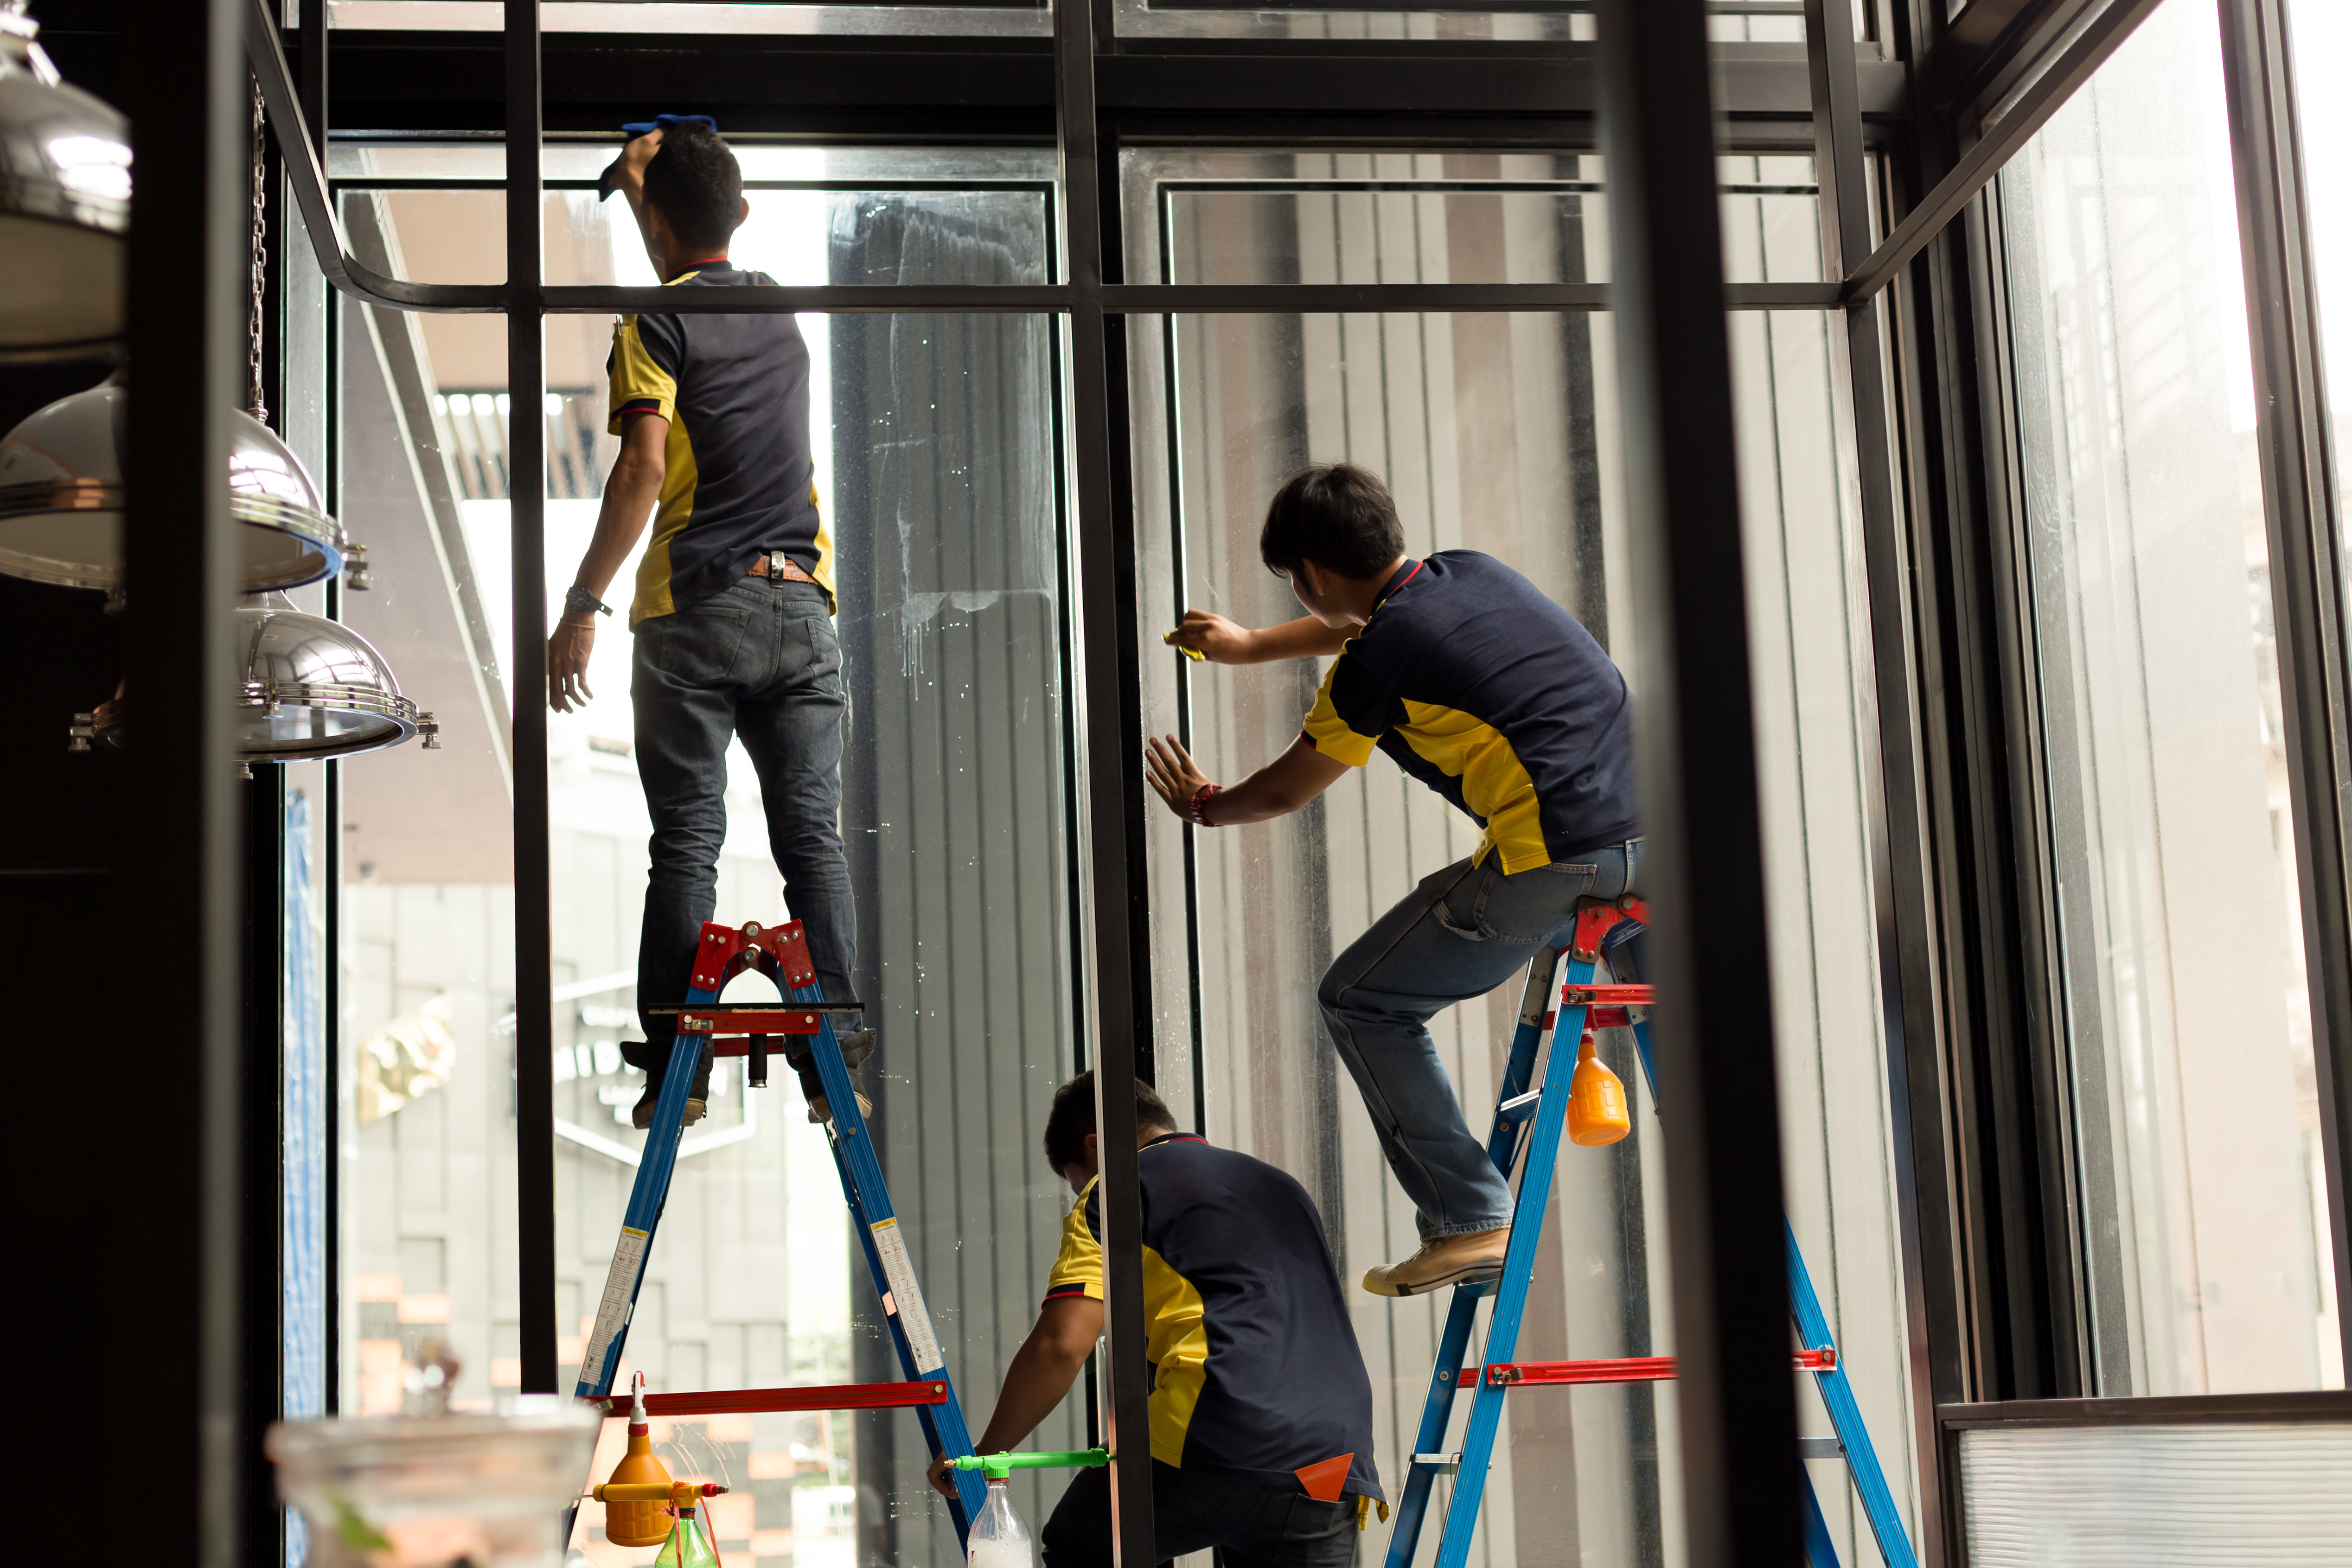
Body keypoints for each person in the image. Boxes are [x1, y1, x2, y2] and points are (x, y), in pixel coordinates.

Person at [1146, 463, 1640, 1298]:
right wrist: (1250, 646)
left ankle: (1469, 1218)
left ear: (1309, 575)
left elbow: (1284, 788)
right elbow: (1369, 630)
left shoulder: (1375, 663)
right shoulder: (1471, 572)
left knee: (1361, 998)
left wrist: (1206, 805)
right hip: (1653, 840)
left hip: (1556, 858)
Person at [546, 121, 870, 1130]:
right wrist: (658, 181)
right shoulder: (783, 316)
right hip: (802, 606)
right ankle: (837, 1063)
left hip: (698, 608)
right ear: (741, 210)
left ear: (655, 223)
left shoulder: (652, 319)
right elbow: (687, 226)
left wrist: (581, 604)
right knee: (810, 837)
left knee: (687, 839)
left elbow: (643, 467)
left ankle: (675, 1077)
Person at [929, 1072, 1383, 1568]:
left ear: (1096, 1145)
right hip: (1334, 1459)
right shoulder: (1277, 1183)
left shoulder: (1117, 1189)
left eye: (1077, 1181)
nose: (1083, 1192)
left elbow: (1062, 1344)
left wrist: (983, 1451)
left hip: (1221, 1426)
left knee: (1085, 1542)